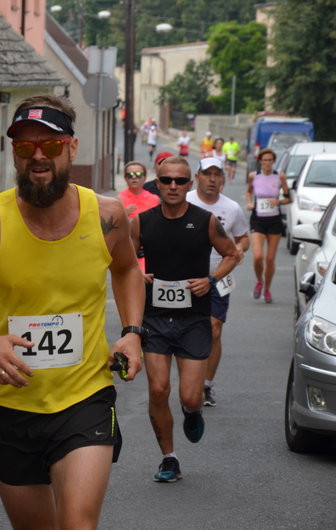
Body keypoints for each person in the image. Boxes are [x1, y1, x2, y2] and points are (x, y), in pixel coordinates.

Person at [0, 95, 146, 528]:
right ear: (14, 154)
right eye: (25, 147)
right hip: (8, 403)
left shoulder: (108, 216)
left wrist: (133, 330)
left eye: (50, 145)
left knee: (78, 523)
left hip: (85, 396)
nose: (38, 156)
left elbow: (127, 270)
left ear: (72, 148)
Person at [130, 156, 238, 483]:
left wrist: (211, 278)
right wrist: (138, 272)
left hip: (194, 319)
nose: (173, 186)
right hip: (155, 319)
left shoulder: (205, 220)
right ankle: (169, 458)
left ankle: (193, 412)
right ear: (157, 184)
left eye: (180, 181)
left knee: (189, 396)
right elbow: (123, 259)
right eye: (166, 181)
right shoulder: (142, 221)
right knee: (159, 389)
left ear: (189, 184)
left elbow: (233, 253)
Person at [186, 158, 250, 408]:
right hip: (185, 278)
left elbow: (243, 237)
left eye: (217, 174)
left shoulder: (232, 208)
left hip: (219, 277)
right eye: (207, 174)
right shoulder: (185, 200)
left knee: (214, 329)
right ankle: (189, 381)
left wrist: (240, 247)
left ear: (223, 178)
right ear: (198, 176)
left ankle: (206, 385)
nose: (212, 179)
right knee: (186, 329)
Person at [245, 147, 291, 303]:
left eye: (270, 160)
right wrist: (249, 203)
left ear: (273, 161)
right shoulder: (254, 176)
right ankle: (259, 281)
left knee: (270, 259)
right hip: (258, 218)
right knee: (258, 256)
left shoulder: (280, 177)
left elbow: (288, 198)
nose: (267, 163)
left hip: (274, 221)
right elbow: (249, 192)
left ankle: (267, 289)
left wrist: (278, 201)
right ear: (260, 161)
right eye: (264, 160)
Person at [118, 161, 160, 272]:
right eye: (130, 175)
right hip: (129, 252)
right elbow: (113, 229)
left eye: (138, 175)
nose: (134, 178)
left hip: (151, 252)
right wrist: (122, 215)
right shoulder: (119, 200)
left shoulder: (155, 199)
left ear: (145, 177)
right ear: (125, 178)